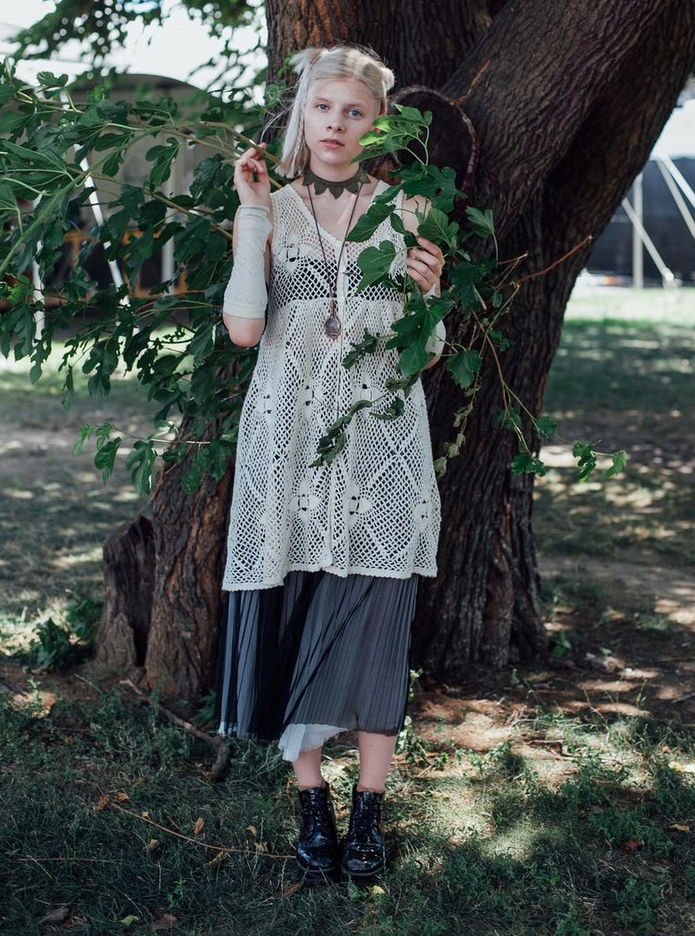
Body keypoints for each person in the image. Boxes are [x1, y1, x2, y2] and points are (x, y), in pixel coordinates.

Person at [216, 43, 445, 885]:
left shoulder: (408, 212)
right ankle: (312, 806)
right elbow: (245, 328)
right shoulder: (271, 209)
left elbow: (426, 353)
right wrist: (248, 217)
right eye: (323, 109)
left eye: (354, 112)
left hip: (381, 448)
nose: (336, 125)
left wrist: (428, 292)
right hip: (290, 450)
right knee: (295, 615)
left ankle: (371, 815)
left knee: (380, 622)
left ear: (377, 123)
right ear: (300, 115)